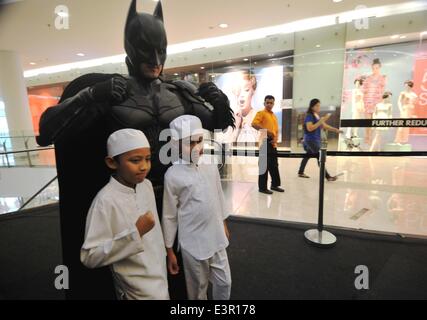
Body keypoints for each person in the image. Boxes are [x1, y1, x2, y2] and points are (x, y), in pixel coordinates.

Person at [36, 0, 233, 299]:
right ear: (129, 47)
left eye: (161, 50)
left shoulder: (178, 92)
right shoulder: (109, 92)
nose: (155, 59)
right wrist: (90, 95)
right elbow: (47, 132)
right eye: (146, 49)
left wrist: (219, 98)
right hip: (128, 197)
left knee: (184, 273)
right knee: (135, 273)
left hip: (172, 194)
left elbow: (218, 122)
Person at [80, 129, 169, 300]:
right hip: (134, 289)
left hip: (160, 275)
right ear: (112, 163)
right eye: (135, 160)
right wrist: (135, 233)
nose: (144, 166)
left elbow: (155, 234)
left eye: (148, 159)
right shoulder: (105, 201)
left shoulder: (146, 185)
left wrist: (166, 254)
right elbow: (89, 256)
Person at [162, 115, 232, 300]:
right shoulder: (172, 175)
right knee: (197, 290)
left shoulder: (210, 165)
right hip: (192, 243)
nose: (196, 148)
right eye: (189, 143)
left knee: (224, 282)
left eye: (199, 141)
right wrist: (169, 250)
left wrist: (223, 223)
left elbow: (219, 195)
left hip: (216, 236)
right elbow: (169, 215)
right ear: (176, 144)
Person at [298, 98, 342, 181]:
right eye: (317, 105)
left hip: (314, 139)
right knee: (320, 157)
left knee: (308, 155)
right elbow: (310, 128)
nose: (319, 107)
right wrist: (321, 120)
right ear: (312, 106)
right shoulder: (309, 116)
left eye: (319, 105)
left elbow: (324, 126)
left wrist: (335, 130)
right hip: (311, 140)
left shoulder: (316, 115)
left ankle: (300, 172)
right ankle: (328, 176)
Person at [252, 95, 284, 194]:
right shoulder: (261, 113)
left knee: (274, 165)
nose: (269, 104)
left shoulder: (273, 115)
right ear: (264, 103)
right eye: (267, 102)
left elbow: (276, 130)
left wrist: (275, 139)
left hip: (272, 144)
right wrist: (267, 131)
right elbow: (254, 124)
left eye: (271, 103)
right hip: (264, 143)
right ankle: (262, 188)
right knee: (263, 166)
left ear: (273, 103)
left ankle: (274, 185)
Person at [362, 58, 387, 144]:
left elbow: (383, 91)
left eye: (377, 68)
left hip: (377, 103)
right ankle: (367, 140)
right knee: (367, 122)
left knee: (375, 123)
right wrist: (363, 102)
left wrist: (382, 103)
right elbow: (364, 90)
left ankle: (373, 141)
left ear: (379, 68)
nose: (375, 70)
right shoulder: (368, 78)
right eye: (373, 68)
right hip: (368, 102)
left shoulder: (382, 78)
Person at [231, 72, 259, 143]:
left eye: (246, 90)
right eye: (238, 91)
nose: (241, 95)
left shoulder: (259, 116)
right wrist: (236, 126)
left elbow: (263, 149)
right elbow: (225, 149)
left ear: (253, 91)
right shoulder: (231, 118)